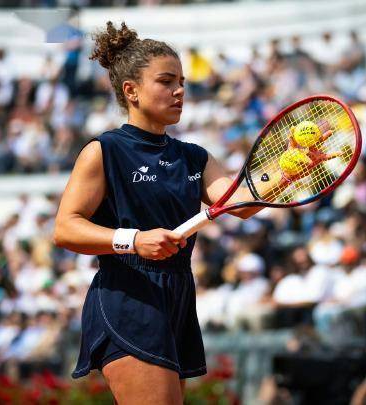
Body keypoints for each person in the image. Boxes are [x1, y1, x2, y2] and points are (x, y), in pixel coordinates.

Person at [53, 22, 326, 404]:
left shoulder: (194, 156)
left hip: (178, 293)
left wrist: (289, 172)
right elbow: (65, 229)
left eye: (181, 82)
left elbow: (241, 204)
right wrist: (133, 240)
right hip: (129, 294)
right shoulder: (105, 151)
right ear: (131, 91)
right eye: (166, 82)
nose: (180, 90)